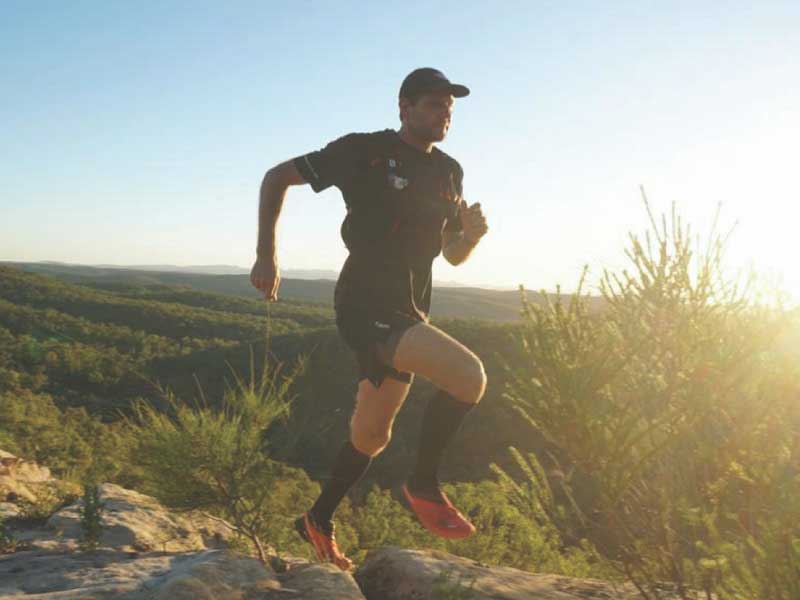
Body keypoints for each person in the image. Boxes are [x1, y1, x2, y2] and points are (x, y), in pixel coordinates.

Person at [250, 67, 489, 571]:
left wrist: (469, 236)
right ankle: (423, 482)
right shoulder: (363, 150)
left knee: (371, 434)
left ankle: (316, 518)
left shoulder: (449, 171)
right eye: (432, 104)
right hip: (365, 303)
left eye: (449, 106)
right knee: (469, 377)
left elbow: (451, 255)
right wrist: (267, 256)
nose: (443, 113)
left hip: (410, 308)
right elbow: (277, 177)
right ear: (403, 107)